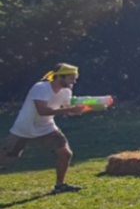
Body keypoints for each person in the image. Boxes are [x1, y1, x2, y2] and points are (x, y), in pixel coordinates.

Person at [0, 63, 87, 193]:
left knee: (65, 154)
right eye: (71, 78)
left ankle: (60, 185)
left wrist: (83, 109)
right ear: (59, 77)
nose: (74, 81)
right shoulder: (41, 88)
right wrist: (69, 110)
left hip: (47, 128)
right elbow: (43, 111)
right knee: (4, 159)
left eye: (75, 78)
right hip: (24, 128)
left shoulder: (66, 91)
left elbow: (67, 110)